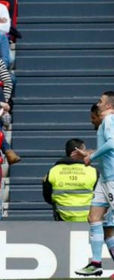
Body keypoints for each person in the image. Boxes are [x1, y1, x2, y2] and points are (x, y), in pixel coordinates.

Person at [73, 91, 114, 276]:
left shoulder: (109, 120)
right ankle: (96, 263)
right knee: (94, 218)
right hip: (104, 180)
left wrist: (91, 156)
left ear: (108, 106)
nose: (97, 103)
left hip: (112, 178)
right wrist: (90, 152)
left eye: (100, 101)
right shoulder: (106, 123)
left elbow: (113, 143)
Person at [43, 139, 99, 221]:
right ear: (79, 152)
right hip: (88, 220)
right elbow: (100, 196)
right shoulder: (92, 171)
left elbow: (47, 196)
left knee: (66, 234)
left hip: (63, 219)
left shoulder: (53, 171)